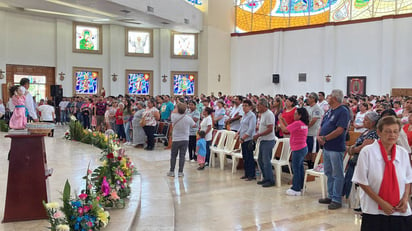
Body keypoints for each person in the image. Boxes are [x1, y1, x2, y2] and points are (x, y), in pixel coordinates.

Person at [352, 116, 412, 231]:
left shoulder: (402, 153)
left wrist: (405, 199)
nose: (392, 135)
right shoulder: (368, 152)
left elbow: (407, 180)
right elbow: (362, 181)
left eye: (395, 132)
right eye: (388, 131)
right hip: (374, 209)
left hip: (399, 208)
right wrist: (381, 202)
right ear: (379, 132)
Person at [317, 89, 350, 210]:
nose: (328, 97)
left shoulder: (343, 111)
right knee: (328, 172)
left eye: (330, 95)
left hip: (335, 147)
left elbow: (340, 130)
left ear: (335, 98)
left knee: (337, 173)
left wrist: (325, 138)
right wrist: (319, 135)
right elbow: (322, 125)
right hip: (326, 146)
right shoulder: (330, 110)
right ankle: (331, 196)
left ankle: (336, 199)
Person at [343, 111, 380, 203]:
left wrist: (351, 149)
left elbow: (363, 148)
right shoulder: (367, 131)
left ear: (373, 123)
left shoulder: (373, 133)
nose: (363, 121)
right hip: (355, 159)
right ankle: (346, 195)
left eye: (366, 120)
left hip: (361, 160)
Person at [279, 108, 309, 196]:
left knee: (296, 168)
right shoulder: (303, 124)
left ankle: (296, 188)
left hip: (298, 149)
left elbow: (285, 130)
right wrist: (284, 120)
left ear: (300, 115)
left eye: (296, 114)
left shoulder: (298, 123)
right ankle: (301, 185)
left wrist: (280, 120)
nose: (294, 115)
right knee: (300, 168)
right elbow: (290, 128)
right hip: (303, 147)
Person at [167, 103, 195, 177]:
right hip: (185, 139)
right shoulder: (188, 118)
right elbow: (194, 125)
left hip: (176, 139)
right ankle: (180, 172)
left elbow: (173, 112)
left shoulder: (174, 116)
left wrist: (176, 108)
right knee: (182, 156)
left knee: (173, 155)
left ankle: (172, 171)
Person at [254, 98, 276, 188]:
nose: (257, 107)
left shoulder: (269, 114)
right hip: (263, 140)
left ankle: (270, 180)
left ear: (264, 105)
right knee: (260, 160)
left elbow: (270, 129)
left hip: (268, 140)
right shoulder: (262, 114)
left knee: (266, 161)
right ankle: (265, 178)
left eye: (258, 105)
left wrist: (259, 134)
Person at [238, 99, 257, 181]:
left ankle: (252, 175)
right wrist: (238, 133)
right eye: (243, 105)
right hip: (243, 139)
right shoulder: (244, 115)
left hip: (248, 139)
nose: (244, 107)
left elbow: (250, 129)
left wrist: (243, 137)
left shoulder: (252, 116)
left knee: (249, 157)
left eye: (246, 106)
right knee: (245, 157)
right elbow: (242, 126)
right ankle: (246, 173)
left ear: (250, 107)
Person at [305, 92, 324, 169]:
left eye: (309, 97)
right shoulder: (308, 107)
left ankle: (313, 166)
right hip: (307, 133)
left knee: (313, 151)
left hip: (313, 133)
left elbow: (313, 120)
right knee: (308, 151)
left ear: (313, 99)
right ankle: (309, 165)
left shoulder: (317, 108)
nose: (308, 99)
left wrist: (305, 126)